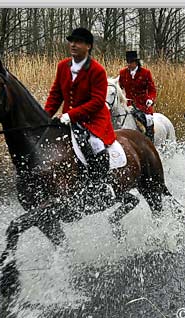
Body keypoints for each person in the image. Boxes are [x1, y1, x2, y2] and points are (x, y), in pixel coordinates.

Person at [44, 27, 116, 203]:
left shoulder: (97, 70)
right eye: (71, 41)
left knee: (94, 143)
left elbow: (97, 101)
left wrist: (72, 115)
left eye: (78, 42)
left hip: (93, 120)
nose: (73, 45)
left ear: (88, 46)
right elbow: (56, 95)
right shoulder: (62, 66)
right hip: (68, 119)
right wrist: (44, 117)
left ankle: (101, 185)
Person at [118, 50, 156, 141]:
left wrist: (150, 99)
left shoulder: (145, 73)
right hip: (128, 105)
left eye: (131, 62)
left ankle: (150, 142)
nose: (129, 65)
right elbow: (119, 88)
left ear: (136, 62)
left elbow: (152, 89)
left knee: (148, 121)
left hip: (143, 105)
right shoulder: (123, 73)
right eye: (128, 62)